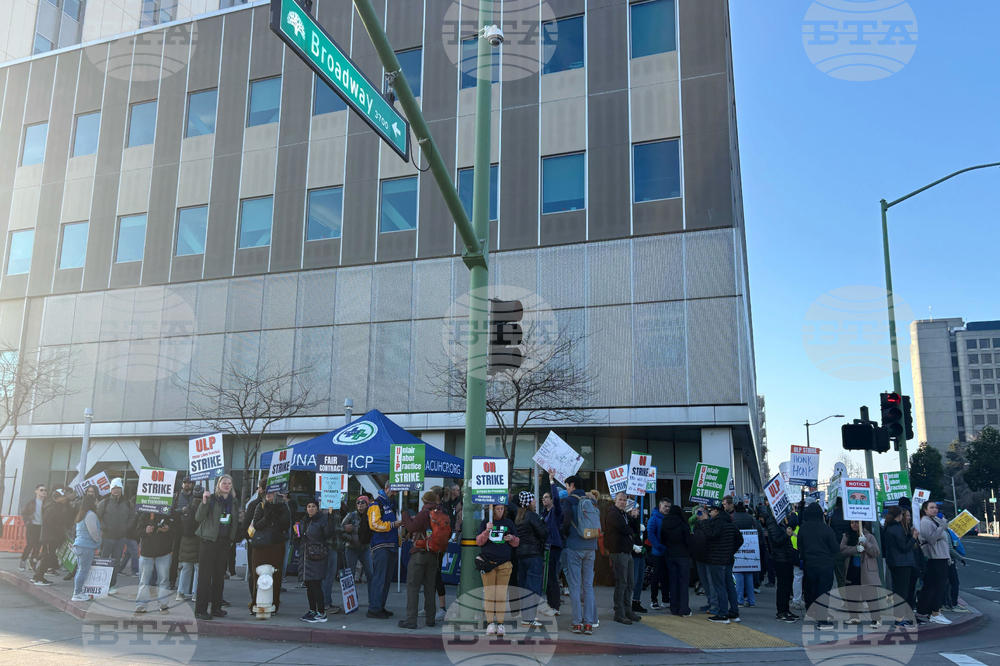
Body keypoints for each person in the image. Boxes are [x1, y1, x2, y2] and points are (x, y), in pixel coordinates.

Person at [193, 475, 240, 621]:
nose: (226, 485)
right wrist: (204, 501)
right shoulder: (211, 498)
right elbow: (198, 517)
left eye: (229, 483)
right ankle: (200, 610)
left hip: (224, 543)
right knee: (205, 577)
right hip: (208, 542)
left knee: (219, 577)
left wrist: (232, 538)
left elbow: (234, 520)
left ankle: (216, 608)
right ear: (218, 485)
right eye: (224, 483)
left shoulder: (233, 501)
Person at [398, 491, 444, 629]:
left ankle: (411, 620)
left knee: (413, 588)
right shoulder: (440, 513)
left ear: (424, 501)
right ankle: (430, 619)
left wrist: (405, 514)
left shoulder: (424, 513)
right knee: (430, 588)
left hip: (419, 553)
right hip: (433, 555)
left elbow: (411, 527)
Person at [561, 475, 599, 635]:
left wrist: (565, 535)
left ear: (572, 485)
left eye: (567, 486)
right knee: (588, 586)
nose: (567, 489)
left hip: (575, 546)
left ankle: (577, 624)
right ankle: (589, 624)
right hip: (591, 546)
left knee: (575, 586)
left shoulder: (569, 501)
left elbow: (566, 522)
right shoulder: (592, 500)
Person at [476, 503, 520, 637]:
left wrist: (511, 538)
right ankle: (490, 623)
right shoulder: (485, 522)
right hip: (488, 562)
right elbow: (479, 541)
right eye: (498, 509)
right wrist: (486, 531)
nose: (500, 511)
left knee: (500, 596)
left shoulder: (509, 523)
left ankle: (500, 623)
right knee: (489, 595)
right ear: (492, 510)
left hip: (504, 563)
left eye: (502, 509)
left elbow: (517, 541)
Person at [796, 502, 838, 629]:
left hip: (810, 564)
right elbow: (835, 548)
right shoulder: (826, 528)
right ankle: (822, 621)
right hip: (825, 564)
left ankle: (813, 612)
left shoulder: (803, 528)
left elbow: (800, 547)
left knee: (813, 590)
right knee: (824, 592)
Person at [249, 489, 291, 614]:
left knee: (276, 576)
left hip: (276, 545)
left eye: (272, 493)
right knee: (258, 575)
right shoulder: (260, 506)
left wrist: (280, 509)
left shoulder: (283, 507)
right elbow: (256, 525)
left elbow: (285, 526)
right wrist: (268, 515)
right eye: (267, 492)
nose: (268, 494)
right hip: (261, 546)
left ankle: (274, 604)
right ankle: (256, 603)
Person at [511, 490, 548, 628]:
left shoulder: (518, 517)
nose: (535, 502)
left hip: (521, 555)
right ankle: (530, 617)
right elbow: (543, 533)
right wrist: (544, 524)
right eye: (533, 500)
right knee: (533, 587)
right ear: (528, 502)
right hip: (534, 555)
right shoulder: (532, 516)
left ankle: (526, 616)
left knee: (524, 587)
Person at [701, 502, 743, 623]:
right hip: (728, 559)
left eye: (711, 511)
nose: (709, 513)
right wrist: (730, 551)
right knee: (729, 586)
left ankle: (723, 614)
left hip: (716, 559)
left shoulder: (717, 523)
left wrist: (704, 521)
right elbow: (740, 539)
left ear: (716, 511)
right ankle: (734, 612)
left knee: (720, 587)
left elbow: (710, 535)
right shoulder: (730, 522)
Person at [366, 482, 403, 619]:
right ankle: (374, 608)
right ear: (386, 488)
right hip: (380, 545)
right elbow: (374, 524)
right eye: (394, 491)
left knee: (387, 579)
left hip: (392, 544)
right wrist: (392, 525)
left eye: (397, 491)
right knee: (379, 578)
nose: (395, 493)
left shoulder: (391, 504)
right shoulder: (376, 504)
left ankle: (380, 606)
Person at [606, 491, 642, 625]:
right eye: (620, 500)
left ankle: (627, 610)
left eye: (624, 500)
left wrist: (635, 518)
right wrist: (631, 528)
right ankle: (619, 612)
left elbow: (635, 529)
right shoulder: (613, 514)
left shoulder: (623, 515)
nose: (622, 502)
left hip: (627, 552)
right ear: (615, 501)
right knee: (622, 583)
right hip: (618, 552)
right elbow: (626, 530)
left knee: (630, 583)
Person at [839, 520, 881, 628]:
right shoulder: (847, 536)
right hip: (852, 569)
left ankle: (876, 619)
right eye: (852, 522)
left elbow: (876, 552)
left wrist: (866, 543)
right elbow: (842, 550)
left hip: (866, 571)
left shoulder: (869, 536)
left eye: (856, 523)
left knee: (871, 596)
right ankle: (854, 617)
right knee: (852, 595)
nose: (854, 524)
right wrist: (855, 549)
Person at [297, 499, 334, 622]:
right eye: (309, 506)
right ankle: (312, 610)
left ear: (317, 508)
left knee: (315, 584)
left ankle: (321, 612)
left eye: (313, 506)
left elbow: (328, 534)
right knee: (308, 584)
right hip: (306, 556)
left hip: (317, 556)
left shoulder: (322, 519)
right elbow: (299, 535)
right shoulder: (305, 520)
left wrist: (330, 517)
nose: (311, 508)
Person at [97, 478, 134, 594]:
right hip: (107, 537)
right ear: (111, 490)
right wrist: (104, 527)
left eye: (118, 488)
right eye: (114, 488)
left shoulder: (128, 503)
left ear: (122, 489)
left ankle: (112, 585)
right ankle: (100, 585)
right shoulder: (104, 502)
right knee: (104, 561)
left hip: (121, 538)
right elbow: (98, 517)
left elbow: (132, 517)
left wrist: (127, 527)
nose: (116, 490)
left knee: (116, 562)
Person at [917, 501, 952, 625]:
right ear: (925, 510)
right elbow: (931, 539)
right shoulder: (926, 522)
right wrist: (942, 527)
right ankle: (935, 612)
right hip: (935, 558)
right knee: (937, 586)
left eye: (936, 507)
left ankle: (931, 610)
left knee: (935, 585)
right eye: (931, 508)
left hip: (940, 556)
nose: (935, 510)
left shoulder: (934, 521)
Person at [133, 510, 174, 613]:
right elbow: (137, 532)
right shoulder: (145, 514)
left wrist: (169, 529)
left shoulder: (169, 513)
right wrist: (145, 531)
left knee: (163, 580)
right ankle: (141, 605)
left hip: (163, 551)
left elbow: (178, 529)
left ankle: (163, 604)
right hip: (147, 552)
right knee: (144, 580)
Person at [882, 505, 917, 625]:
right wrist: (913, 538)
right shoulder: (898, 529)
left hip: (893, 561)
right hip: (902, 562)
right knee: (902, 591)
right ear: (899, 515)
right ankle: (899, 618)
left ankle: (899, 617)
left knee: (898, 589)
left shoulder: (888, 527)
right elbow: (904, 547)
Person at [33, 488, 74, 586]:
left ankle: (37, 576)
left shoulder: (58, 506)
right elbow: (48, 523)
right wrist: (60, 529)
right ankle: (39, 577)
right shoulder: (51, 508)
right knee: (47, 557)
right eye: (63, 497)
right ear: (57, 498)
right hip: (50, 537)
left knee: (46, 556)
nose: (65, 498)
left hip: (53, 536)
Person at [766, 508, 799, 622]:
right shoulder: (773, 525)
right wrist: (787, 535)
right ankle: (781, 612)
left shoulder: (780, 524)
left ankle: (785, 610)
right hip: (781, 559)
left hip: (786, 558)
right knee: (783, 586)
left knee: (787, 586)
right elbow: (776, 542)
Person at [660, 504, 691, 617]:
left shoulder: (665, 522)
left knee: (673, 581)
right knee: (683, 582)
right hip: (683, 555)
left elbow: (662, 540)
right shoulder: (683, 524)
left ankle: (674, 607)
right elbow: (688, 541)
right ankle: (684, 609)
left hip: (670, 554)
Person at [342, 495, 374, 603]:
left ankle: (373, 599)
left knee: (370, 573)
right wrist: (351, 539)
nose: (360, 504)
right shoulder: (351, 516)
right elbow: (341, 530)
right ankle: (351, 600)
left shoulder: (370, 516)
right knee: (350, 575)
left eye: (362, 503)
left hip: (365, 548)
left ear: (367, 504)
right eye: (358, 502)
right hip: (351, 548)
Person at [71, 492, 102, 601]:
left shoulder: (82, 514)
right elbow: (93, 531)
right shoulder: (91, 515)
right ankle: (77, 593)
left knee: (80, 570)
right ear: (92, 502)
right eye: (96, 500)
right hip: (86, 546)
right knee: (83, 570)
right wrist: (99, 540)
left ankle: (78, 591)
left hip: (79, 545)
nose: (98, 502)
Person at [540, 476, 564, 616]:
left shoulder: (555, 512)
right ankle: (550, 603)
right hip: (546, 546)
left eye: (546, 497)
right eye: (543, 498)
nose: (544, 500)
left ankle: (555, 605)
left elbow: (556, 499)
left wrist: (551, 482)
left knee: (552, 576)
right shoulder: (544, 513)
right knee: (548, 576)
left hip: (553, 545)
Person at [242, 478, 268, 600]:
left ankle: (255, 598)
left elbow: (245, 524)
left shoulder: (254, 504)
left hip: (256, 542)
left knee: (255, 571)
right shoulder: (255, 504)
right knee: (259, 572)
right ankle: (259, 598)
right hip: (258, 543)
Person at [732, 502, 761, 608]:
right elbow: (759, 531)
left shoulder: (732, 517)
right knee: (749, 577)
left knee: (738, 576)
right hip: (751, 550)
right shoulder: (750, 518)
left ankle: (739, 600)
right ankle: (751, 601)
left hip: (738, 550)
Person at [169, 477, 196, 589]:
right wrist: (181, 510)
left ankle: (189, 585)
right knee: (175, 557)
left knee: (192, 558)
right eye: (185, 483)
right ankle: (172, 581)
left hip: (191, 531)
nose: (187, 485)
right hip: (177, 530)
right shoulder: (176, 496)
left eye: (189, 483)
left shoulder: (196, 496)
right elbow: (169, 512)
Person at [175, 490, 202, 602]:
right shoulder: (202, 508)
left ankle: (180, 592)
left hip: (185, 540)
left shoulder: (187, 508)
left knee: (185, 568)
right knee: (197, 568)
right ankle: (195, 593)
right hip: (198, 540)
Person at [646, 498, 671, 610]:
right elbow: (650, 534)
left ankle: (666, 599)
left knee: (666, 577)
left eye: (669, 507)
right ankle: (654, 600)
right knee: (656, 577)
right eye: (665, 506)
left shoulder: (669, 518)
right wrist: (659, 547)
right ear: (660, 506)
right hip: (658, 553)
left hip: (667, 553)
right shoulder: (654, 519)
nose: (667, 509)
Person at [690, 505, 714, 614]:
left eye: (700, 513)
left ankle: (714, 603)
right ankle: (710, 602)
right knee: (705, 583)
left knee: (711, 582)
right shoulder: (696, 525)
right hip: (699, 557)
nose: (698, 516)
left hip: (709, 557)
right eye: (697, 514)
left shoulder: (710, 524)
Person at [19, 484, 46, 572]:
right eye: (41, 490)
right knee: (30, 544)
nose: (43, 492)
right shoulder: (31, 502)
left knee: (38, 546)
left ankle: (32, 563)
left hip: (41, 527)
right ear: (36, 491)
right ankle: (23, 560)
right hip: (32, 526)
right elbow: (24, 513)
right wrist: (27, 522)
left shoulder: (46, 503)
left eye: (45, 490)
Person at [627, 500, 647, 614]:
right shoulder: (627, 520)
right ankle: (628, 602)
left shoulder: (639, 521)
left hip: (641, 553)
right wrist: (633, 546)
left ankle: (636, 601)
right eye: (636, 509)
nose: (638, 511)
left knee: (640, 579)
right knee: (632, 580)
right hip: (633, 553)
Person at [828, 497, 852, 589]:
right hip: (848, 545)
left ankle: (842, 590)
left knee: (840, 573)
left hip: (836, 546)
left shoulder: (831, 516)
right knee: (848, 571)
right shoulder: (848, 514)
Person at [944, 526, 969, 613]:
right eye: (943, 518)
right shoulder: (945, 532)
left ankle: (946, 603)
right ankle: (953, 604)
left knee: (946, 583)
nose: (945, 520)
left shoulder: (942, 531)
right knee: (954, 582)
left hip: (944, 560)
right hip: (948, 561)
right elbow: (950, 549)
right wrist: (960, 558)